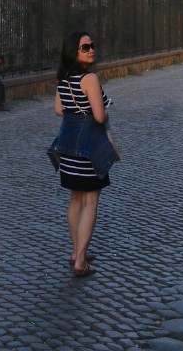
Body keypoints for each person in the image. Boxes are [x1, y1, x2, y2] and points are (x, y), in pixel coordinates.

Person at [48, 32, 118, 277]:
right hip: (88, 148)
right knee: (90, 201)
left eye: (92, 46)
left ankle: (76, 251)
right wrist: (104, 115)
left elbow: (59, 109)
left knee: (75, 200)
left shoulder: (64, 79)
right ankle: (80, 262)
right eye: (84, 47)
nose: (91, 50)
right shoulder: (90, 79)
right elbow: (100, 116)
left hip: (67, 147)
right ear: (73, 52)